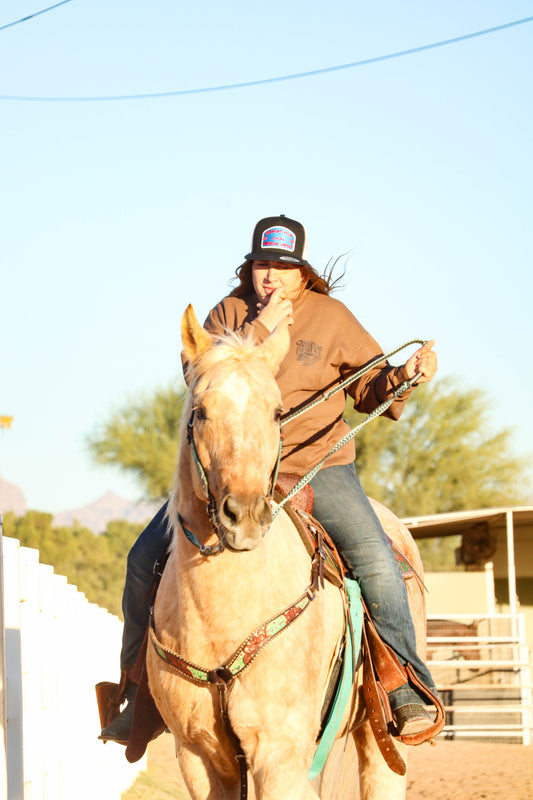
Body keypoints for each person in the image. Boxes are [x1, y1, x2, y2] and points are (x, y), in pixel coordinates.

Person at [100, 214, 440, 744]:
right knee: (143, 559)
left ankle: (403, 684)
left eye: (283, 267)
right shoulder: (227, 313)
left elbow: (374, 389)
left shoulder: (332, 317)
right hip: (234, 474)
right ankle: (138, 692)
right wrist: (258, 332)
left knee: (375, 557)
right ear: (250, 268)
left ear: (302, 273)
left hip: (315, 466)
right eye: (262, 264)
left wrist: (404, 378)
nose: (270, 276)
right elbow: (198, 373)